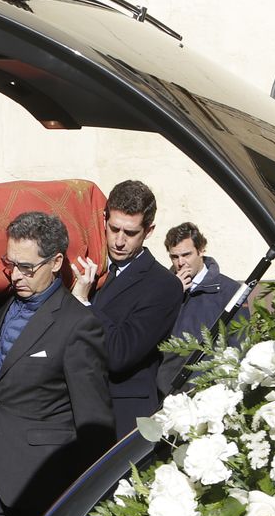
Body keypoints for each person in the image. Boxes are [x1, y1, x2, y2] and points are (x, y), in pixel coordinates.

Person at [0, 211, 112, 516]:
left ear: (56, 262)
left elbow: (94, 420)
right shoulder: (4, 309)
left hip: (46, 485)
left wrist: (88, 496)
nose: (15, 275)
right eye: (9, 264)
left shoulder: (78, 324)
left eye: (27, 267)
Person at [70, 179, 183, 438]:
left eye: (130, 233)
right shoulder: (90, 265)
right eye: (114, 229)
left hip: (120, 422)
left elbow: (121, 353)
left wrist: (85, 303)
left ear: (149, 231)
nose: (119, 241)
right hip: (73, 416)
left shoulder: (163, 286)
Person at [155, 222, 247, 397]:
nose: (180, 263)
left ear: (201, 250)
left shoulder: (229, 290)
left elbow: (239, 344)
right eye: (174, 257)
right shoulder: (162, 289)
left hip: (211, 394)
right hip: (166, 393)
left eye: (186, 255)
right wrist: (172, 294)